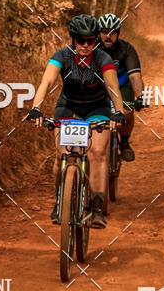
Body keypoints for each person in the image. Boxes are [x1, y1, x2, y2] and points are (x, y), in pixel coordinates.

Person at [31, 14, 124, 229]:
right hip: (69, 107)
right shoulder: (62, 56)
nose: (85, 45)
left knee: (97, 153)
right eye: (80, 40)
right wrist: (36, 108)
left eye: (90, 40)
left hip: (97, 108)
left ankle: (97, 208)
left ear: (95, 41)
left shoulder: (103, 59)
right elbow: (46, 82)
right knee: (61, 153)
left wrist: (118, 111)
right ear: (73, 39)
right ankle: (59, 201)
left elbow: (113, 89)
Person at [97, 12, 144, 162]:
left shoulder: (126, 49)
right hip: (99, 87)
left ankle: (124, 142)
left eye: (112, 33)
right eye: (104, 32)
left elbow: (134, 75)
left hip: (123, 86)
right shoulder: (92, 48)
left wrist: (140, 96)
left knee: (127, 112)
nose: (108, 36)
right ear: (99, 33)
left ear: (118, 34)